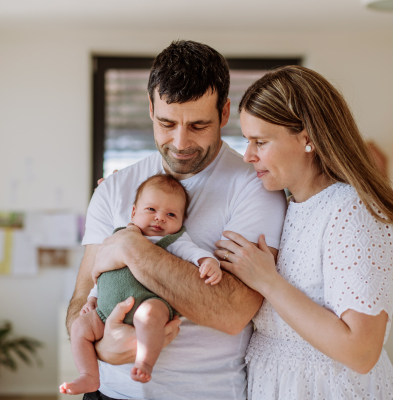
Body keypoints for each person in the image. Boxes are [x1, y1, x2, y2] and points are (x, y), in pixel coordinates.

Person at [66, 40, 287, 400]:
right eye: (167, 123)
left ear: (225, 112)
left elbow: (233, 311)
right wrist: (105, 348)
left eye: (198, 125)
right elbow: (79, 302)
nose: (181, 142)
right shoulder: (115, 189)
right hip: (108, 393)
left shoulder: (254, 187)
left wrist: (131, 248)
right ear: (151, 109)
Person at [214, 65, 393, 399]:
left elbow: (361, 352)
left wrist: (267, 281)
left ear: (307, 138)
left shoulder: (352, 211)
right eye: (247, 141)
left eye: (261, 141)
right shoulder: (285, 208)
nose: (248, 155)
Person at [60, 174, 222, 395]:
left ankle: (145, 362)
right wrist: (91, 299)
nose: (160, 218)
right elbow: (103, 272)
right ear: (134, 212)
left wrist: (208, 262)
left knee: (149, 316)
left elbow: (194, 253)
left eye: (171, 214)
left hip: (150, 302)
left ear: (182, 221)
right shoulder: (117, 236)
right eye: (151, 210)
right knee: (79, 327)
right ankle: (89, 376)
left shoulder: (175, 240)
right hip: (105, 311)